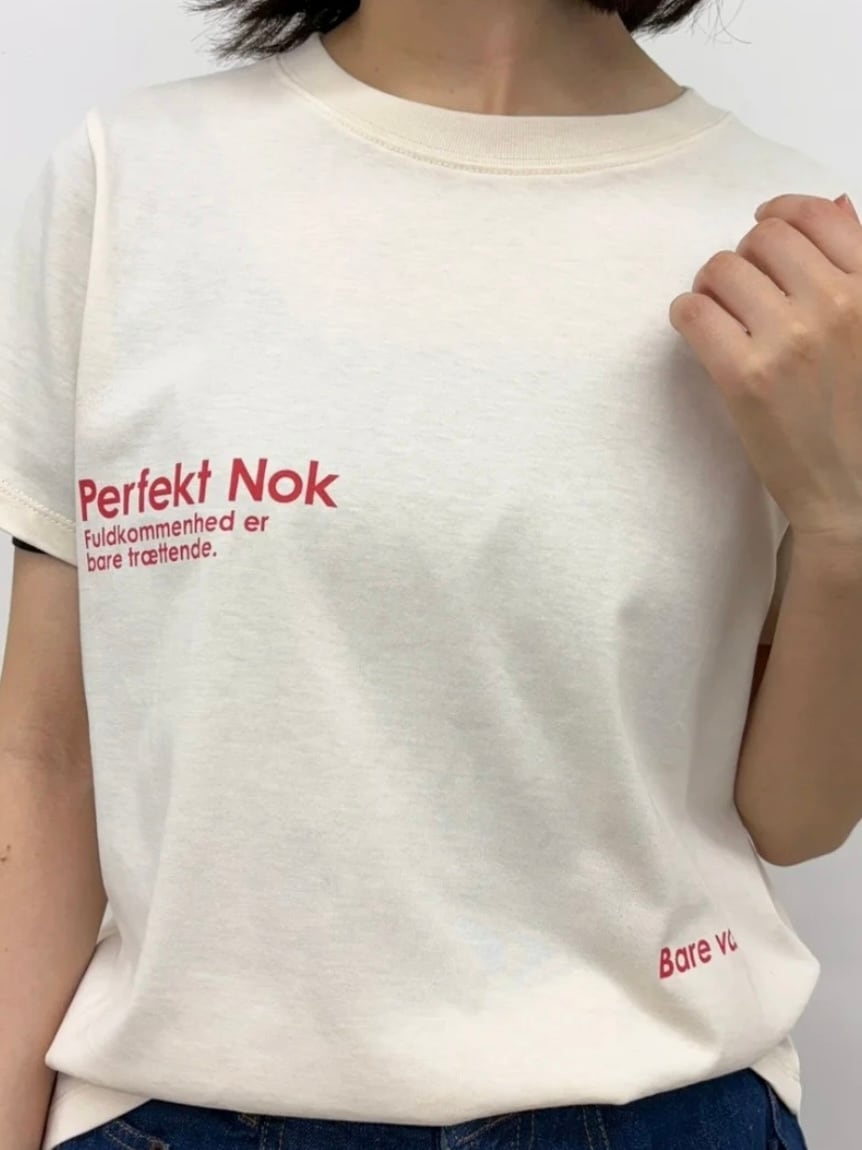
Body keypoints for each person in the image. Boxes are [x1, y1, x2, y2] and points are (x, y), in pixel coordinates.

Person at [3, 0, 860, 1146]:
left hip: (654, 1102)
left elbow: (795, 817)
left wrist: (845, 525)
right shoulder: (130, 182)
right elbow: (46, 754)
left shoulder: (794, 245)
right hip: (176, 1110)